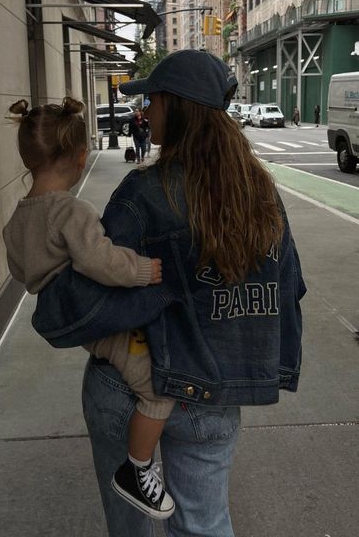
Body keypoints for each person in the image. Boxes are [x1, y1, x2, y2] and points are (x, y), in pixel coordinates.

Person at [31, 50, 306, 537]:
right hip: (214, 391)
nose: (146, 112)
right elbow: (288, 292)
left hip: (130, 386)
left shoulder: (144, 195)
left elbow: (82, 306)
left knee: (130, 524)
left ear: (175, 107)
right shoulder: (262, 194)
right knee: (204, 524)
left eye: (153, 101)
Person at [2, 97, 175, 520]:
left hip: (70, 319)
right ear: (81, 158)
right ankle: (138, 468)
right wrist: (142, 271)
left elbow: (21, 272)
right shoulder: (70, 211)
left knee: (121, 356)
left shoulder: (15, 222)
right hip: (103, 320)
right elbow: (100, 260)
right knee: (155, 389)